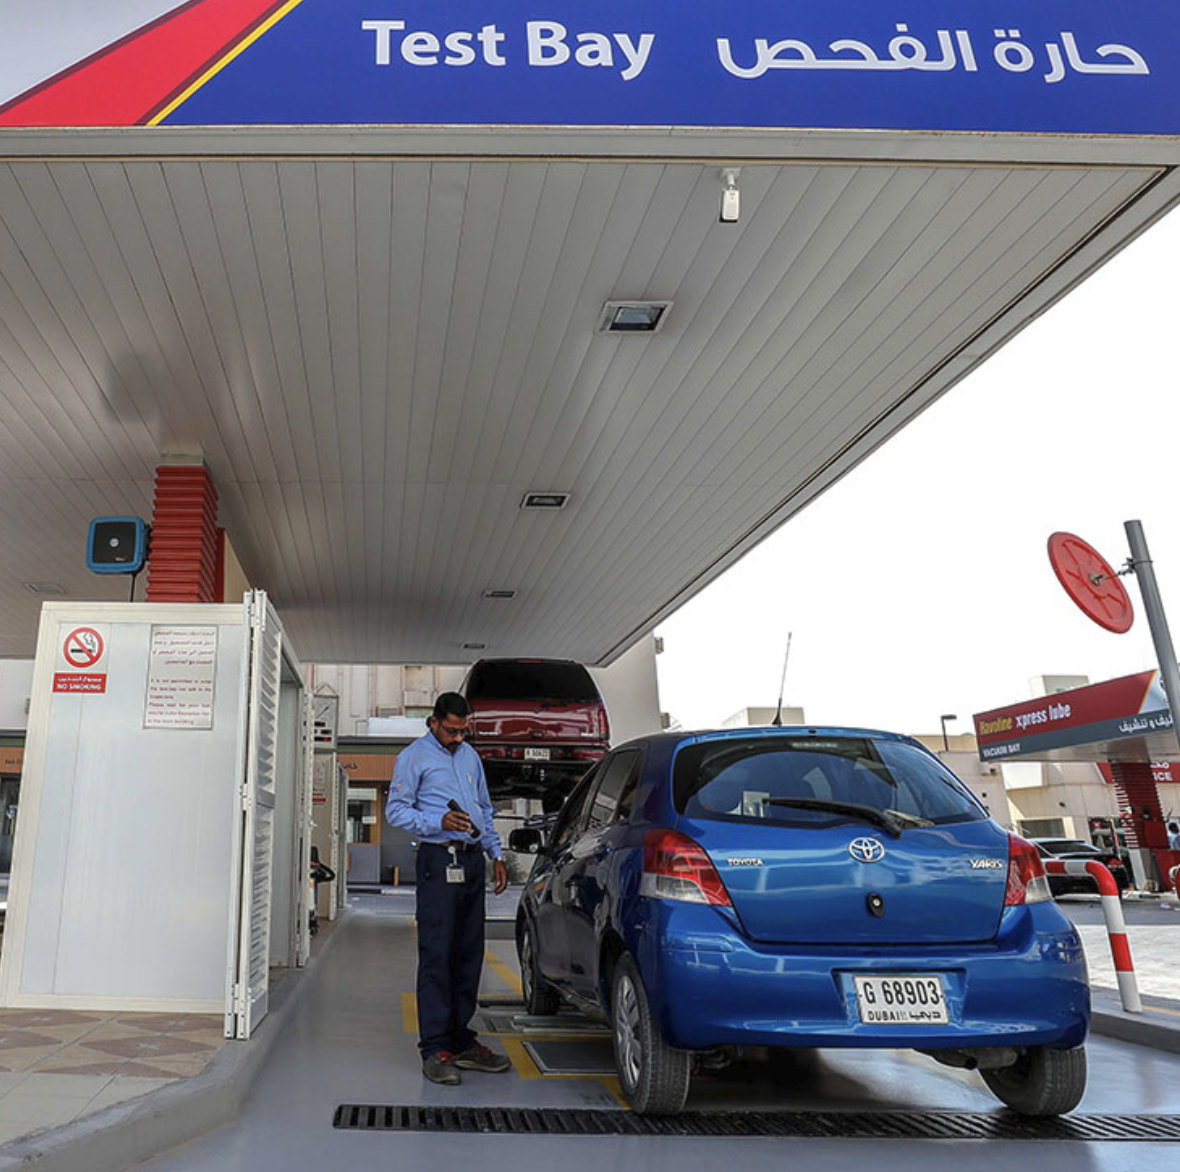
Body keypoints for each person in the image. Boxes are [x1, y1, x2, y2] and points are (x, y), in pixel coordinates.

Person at [385, 692, 511, 1085]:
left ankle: (461, 1040)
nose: (458, 738)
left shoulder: (470, 756)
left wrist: (495, 854)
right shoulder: (413, 757)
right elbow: (396, 811)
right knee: (437, 953)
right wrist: (438, 821)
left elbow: (484, 809)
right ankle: (435, 1048)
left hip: (471, 862)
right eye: (451, 731)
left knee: (469, 953)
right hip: (438, 861)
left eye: (463, 731)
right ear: (433, 722)